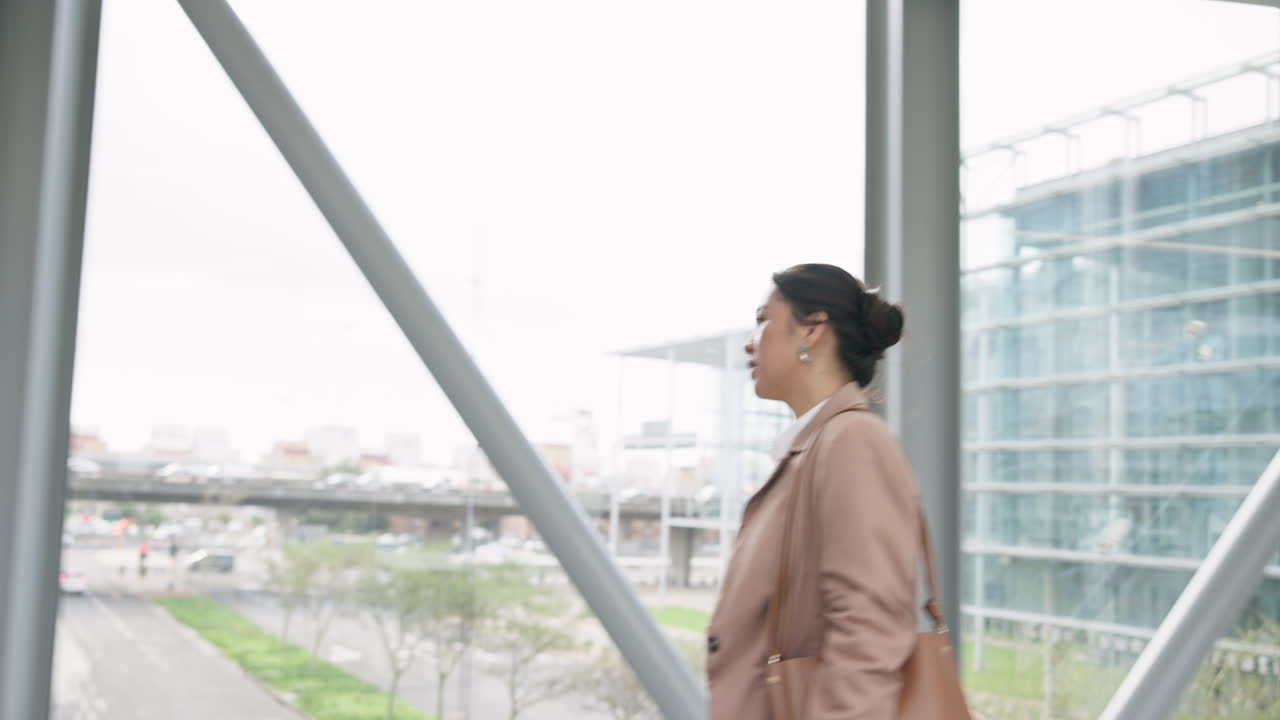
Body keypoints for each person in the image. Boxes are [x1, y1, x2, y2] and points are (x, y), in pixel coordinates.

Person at [707, 263, 920, 720]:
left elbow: (869, 633)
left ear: (813, 330)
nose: (751, 339)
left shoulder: (852, 442)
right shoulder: (815, 447)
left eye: (764, 320)